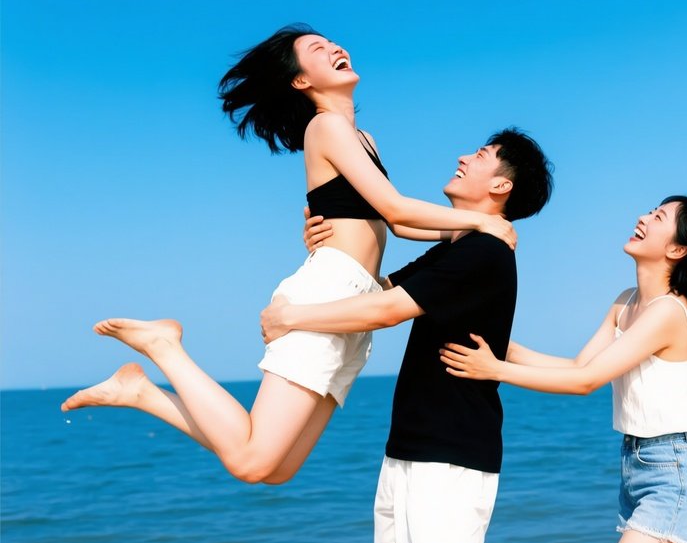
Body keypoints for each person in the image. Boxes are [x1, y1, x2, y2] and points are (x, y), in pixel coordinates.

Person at [61, 24, 516, 486]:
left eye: (333, 42)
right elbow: (397, 208)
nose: (336, 48)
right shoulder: (325, 125)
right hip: (328, 291)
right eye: (318, 49)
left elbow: (397, 224)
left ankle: (140, 391)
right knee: (251, 462)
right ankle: (164, 346)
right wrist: (482, 221)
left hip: (351, 304)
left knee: (277, 469)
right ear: (301, 81)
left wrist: (469, 234)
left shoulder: (365, 138)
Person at [261, 128, 554, 543]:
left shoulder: (486, 250)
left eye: (482, 155)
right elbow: (372, 290)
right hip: (417, 445)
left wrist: (293, 316)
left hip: (451, 450)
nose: (464, 156)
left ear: (502, 185)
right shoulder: (458, 245)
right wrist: (326, 247)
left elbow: (387, 312)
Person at [439, 196, 687, 543]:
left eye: (658, 218)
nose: (642, 216)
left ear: (678, 250)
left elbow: (585, 383)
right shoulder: (627, 302)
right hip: (643, 467)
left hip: (675, 471)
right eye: (650, 211)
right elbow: (579, 365)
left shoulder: (668, 312)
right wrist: (503, 348)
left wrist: (494, 369)